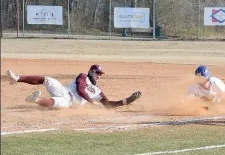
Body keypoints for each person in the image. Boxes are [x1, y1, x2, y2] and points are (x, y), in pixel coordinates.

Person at [6, 64, 142, 109]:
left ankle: (36, 100)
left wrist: (125, 101)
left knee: (57, 103)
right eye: (97, 72)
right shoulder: (83, 76)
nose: (99, 75)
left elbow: (107, 105)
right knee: (47, 79)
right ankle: (16, 78)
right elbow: (80, 90)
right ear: (91, 72)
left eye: (100, 74)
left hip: (69, 102)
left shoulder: (98, 91)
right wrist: (91, 102)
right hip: (64, 91)